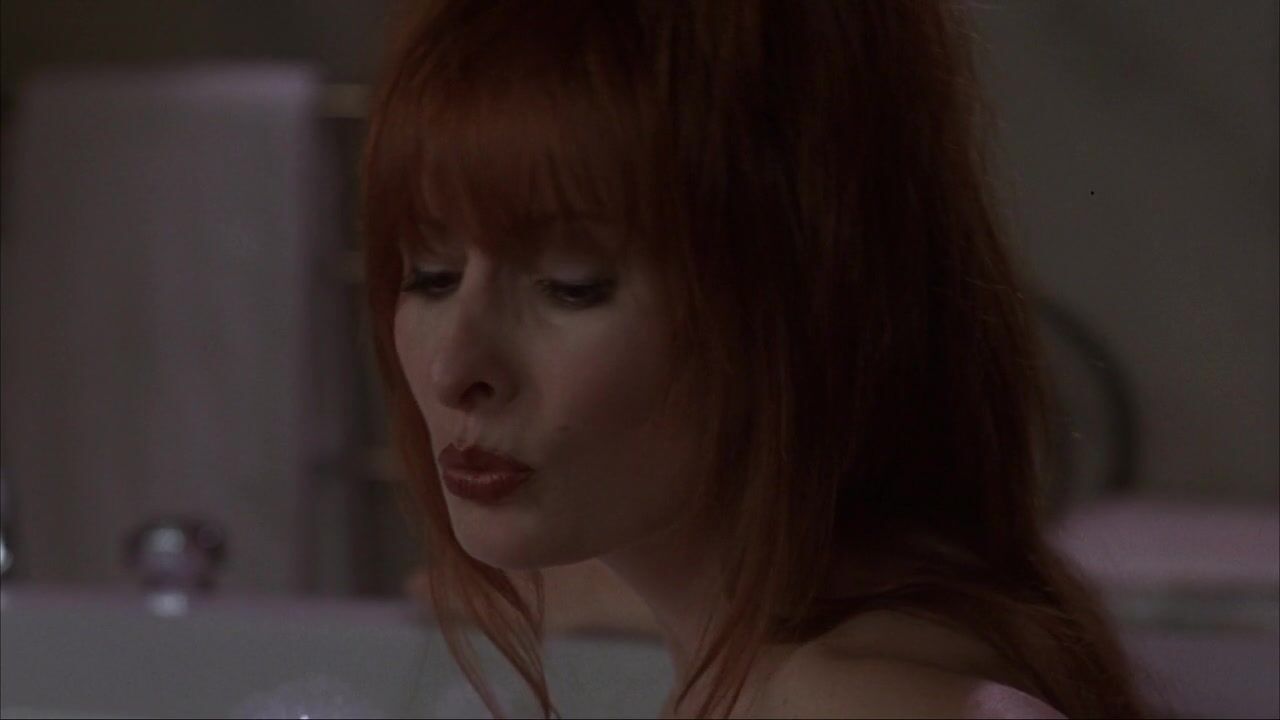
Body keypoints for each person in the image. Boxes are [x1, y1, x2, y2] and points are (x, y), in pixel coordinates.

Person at [360, 1, 1150, 717]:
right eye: (431, 274)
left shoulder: (855, 701)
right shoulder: (867, 632)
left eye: (573, 286)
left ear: (803, 305)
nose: (452, 369)